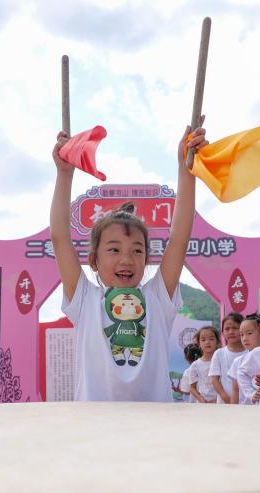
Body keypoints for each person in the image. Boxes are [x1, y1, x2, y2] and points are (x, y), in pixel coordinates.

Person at [52, 120, 207, 401]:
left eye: (137, 250)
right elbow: (60, 237)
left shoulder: (157, 298)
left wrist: (186, 171)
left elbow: (179, 238)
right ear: (93, 261)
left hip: (154, 425)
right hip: (95, 424)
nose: (126, 259)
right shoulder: (84, 298)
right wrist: (64, 175)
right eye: (113, 250)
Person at [209, 313, 246, 404]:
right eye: (227, 329)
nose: (231, 332)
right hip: (224, 404)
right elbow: (215, 380)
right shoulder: (219, 353)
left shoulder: (250, 353)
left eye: (235, 328)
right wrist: (226, 398)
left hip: (246, 402)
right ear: (222, 332)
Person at [229, 314, 260, 405]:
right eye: (241, 335)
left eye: (249, 333)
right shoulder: (238, 362)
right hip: (244, 410)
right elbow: (235, 390)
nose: (244, 338)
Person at [189, 326, 221, 404]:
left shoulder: (221, 361)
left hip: (220, 402)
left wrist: (219, 398)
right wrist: (200, 398)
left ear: (217, 341)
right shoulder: (195, 365)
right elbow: (192, 387)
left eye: (211, 339)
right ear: (199, 343)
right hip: (203, 403)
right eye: (203, 340)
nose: (207, 342)